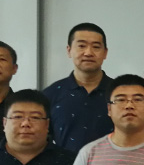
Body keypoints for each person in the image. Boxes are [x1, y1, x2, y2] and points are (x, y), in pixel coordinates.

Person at [42, 22, 114, 153]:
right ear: (69, 50)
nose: (88, 53)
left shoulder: (120, 93)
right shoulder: (50, 94)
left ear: (105, 53)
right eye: (81, 46)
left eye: (96, 47)